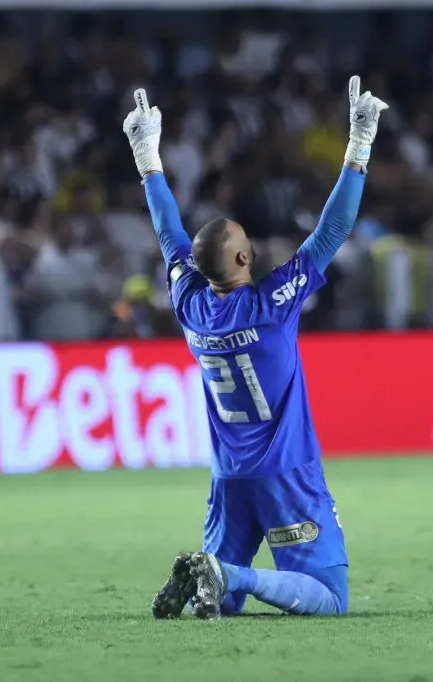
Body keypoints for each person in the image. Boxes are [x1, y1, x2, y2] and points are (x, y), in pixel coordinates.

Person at [123, 77, 388, 619]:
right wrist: (359, 143)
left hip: (229, 478)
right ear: (244, 260)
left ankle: (217, 574)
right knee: (330, 598)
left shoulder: (190, 304)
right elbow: (332, 232)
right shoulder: (272, 306)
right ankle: (231, 572)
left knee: (225, 603)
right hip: (286, 474)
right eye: (249, 242)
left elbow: (169, 236)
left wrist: (146, 158)